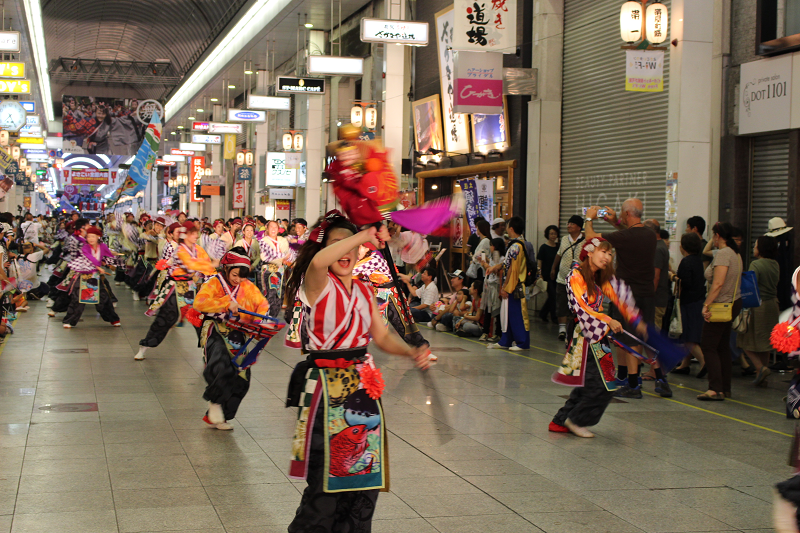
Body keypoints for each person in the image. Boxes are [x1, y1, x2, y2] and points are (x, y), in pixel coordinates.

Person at [282, 212, 429, 533]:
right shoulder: (317, 282)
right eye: (338, 245)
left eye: (350, 246)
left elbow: (383, 336)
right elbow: (320, 261)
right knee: (325, 488)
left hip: (362, 390)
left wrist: (412, 350)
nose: (345, 253)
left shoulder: (364, 291)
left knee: (363, 488)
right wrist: (363, 236)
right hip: (324, 389)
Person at [550, 238, 645, 437]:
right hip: (583, 335)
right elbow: (580, 308)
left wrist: (635, 319)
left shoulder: (600, 277)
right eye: (604, 252)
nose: (607, 257)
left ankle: (561, 421)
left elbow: (621, 297)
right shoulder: (575, 275)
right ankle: (576, 420)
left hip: (597, 334)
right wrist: (607, 319)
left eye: (610, 254)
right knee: (602, 384)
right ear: (590, 252)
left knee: (594, 382)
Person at [585, 199, 666, 399]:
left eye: (622, 212)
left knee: (630, 339)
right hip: (647, 293)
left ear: (628, 214)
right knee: (647, 337)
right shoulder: (649, 234)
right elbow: (628, 233)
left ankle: (633, 384)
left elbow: (591, 239)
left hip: (627, 295)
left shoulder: (625, 236)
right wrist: (615, 222)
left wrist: (589, 218)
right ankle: (662, 381)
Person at [194, 247, 271, 431]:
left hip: (238, 333)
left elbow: (262, 306)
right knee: (221, 365)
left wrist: (261, 322)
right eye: (235, 274)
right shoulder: (215, 282)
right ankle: (214, 401)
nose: (237, 279)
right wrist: (225, 303)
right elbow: (199, 303)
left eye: (241, 276)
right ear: (226, 268)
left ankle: (222, 415)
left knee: (242, 379)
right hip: (215, 329)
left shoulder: (247, 287)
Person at [135, 222, 217, 361]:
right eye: (193, 233)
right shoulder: (180, 250)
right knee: (165, 319)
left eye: (196, 233)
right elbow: (190, 265)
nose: (196, 236)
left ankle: (207, 350)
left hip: (190, 288)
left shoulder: (198, 249)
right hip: (175, 288)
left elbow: (207, 268)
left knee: (200, 319)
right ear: (185, 235)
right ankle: (144, 346)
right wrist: (210, 264)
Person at [698, 222, 743, 401]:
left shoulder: (724, 254)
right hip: (733, 302)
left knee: (708, 346)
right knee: (722, 346)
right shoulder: (735, 254)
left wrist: (706, 305)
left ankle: (715, 388)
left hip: (721, 305)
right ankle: (725, 387)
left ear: (717, 236)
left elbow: (717, 284)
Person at [737, 236, 780, 386]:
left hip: (758, 306)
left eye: (755, 246)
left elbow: (750, 285)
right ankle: (763, 375)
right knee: (766, 342)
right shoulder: (775, 264)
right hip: (773, 305)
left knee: (746, 340)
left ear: (761, 249)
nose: (754, 248)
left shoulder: (756, 264)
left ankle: (759, 367)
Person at [61, 226, 122, 329]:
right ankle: (69, 320)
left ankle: (113, 319)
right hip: (84, 275)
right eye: (88, 236)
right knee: (78, 299)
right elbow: (90, 258)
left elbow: (109, 257)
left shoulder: (102, 246)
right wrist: (98, 265)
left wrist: (111, 264)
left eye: (93, 236)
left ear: (98, 237)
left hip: (96, 276)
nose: (90, 239)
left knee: (103, 298)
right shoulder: (85, 247)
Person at [488, 216, 530, 351]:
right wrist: (497, 267)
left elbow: (513, 268)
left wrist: (506, 287)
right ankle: (506, 339)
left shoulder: (516, 246)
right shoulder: (517, 244)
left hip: (515, 286)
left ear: (511, 228)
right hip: (513, 285)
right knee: (508, 314)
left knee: (517, 314)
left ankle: (522, 342)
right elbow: (509, 263)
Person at [672, 232, 707, 376]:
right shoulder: (698, 261)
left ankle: (704, 362)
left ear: (683, 247)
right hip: (698, 301)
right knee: (691, 333)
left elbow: (684, 282)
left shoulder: (686, 262)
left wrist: (673, 277)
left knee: (688, 337)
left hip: (688, 302)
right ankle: (685, 364)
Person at [552, 215, 585, 341]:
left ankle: (574, 327)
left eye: (572, 224)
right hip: (562, 278)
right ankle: (562, 329)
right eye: (568, 223)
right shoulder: (565, 239)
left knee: (576, 303)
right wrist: (554, 268)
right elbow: (559, 254)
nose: (568, 226)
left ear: (578, 227)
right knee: (561, 303)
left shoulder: (585, 240)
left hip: (578, 280)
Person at [257, 220, 291, 317]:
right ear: (267, 229)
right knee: (269, 294)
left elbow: (287, 253)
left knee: (279, 295)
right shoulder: (263, 241)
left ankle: (274, 316)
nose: (273, 229)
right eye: (271, 227)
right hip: (267, 270)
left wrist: (279, 257)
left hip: (280, 271)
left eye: (275, 227)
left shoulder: (282, 240)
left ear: (278, 229)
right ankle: (267, 316)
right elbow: (265, 257)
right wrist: (282, 259)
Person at [645, 220, 671, 331]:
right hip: (658, 297)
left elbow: (656, 276)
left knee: (653, 334)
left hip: (656, 299)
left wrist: (649, 298)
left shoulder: (657, 249)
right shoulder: (660, 246)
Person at [479, 238, 505, 341]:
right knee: (487, 310)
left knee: (497, 311)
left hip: (497, 287)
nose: (490, 247)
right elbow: (490, 271)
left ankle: (498, 333)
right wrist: (484, 263)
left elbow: (498, 272)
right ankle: (485, 332)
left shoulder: (502, 259)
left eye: (491, 245)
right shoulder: (492, 258)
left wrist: (486, 265)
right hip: (489, 286)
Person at [538, 224, 560, 323]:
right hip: (547, 275)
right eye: (551, 234)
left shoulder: (558, 247)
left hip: (557, 275)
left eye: (555, 234)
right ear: (547, 235)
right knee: (552, 295)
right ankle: (554, 316)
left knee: (553, 295)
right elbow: (540, 262)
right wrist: (540, 274)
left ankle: (543, 313)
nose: (553, 236)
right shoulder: (543, 247)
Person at [468, 218, 491, 283]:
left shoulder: (485, 241)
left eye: (477, 228)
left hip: (480, 269)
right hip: (480, 268)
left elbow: (482, 254)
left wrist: (474, 260)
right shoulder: (484, 240)